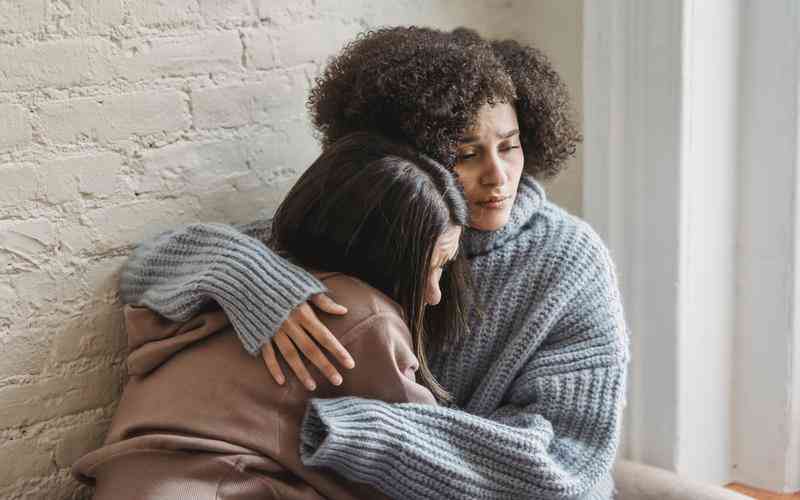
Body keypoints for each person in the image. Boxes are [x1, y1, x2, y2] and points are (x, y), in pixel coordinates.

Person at [118, 26, 630, 499]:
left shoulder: (570, 263)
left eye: (510, 147)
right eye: (467, 153)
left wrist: (366, 430)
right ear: (408, 157)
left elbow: (570, 469)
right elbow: (146, 268)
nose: (498, 176)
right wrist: (254, 282)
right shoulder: (374, 222)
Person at [72, 132, 469, 499]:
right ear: (383, 255)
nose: (434, 295)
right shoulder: (363, 315)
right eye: (433, 268)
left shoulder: (244, 270)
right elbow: (426, 461)